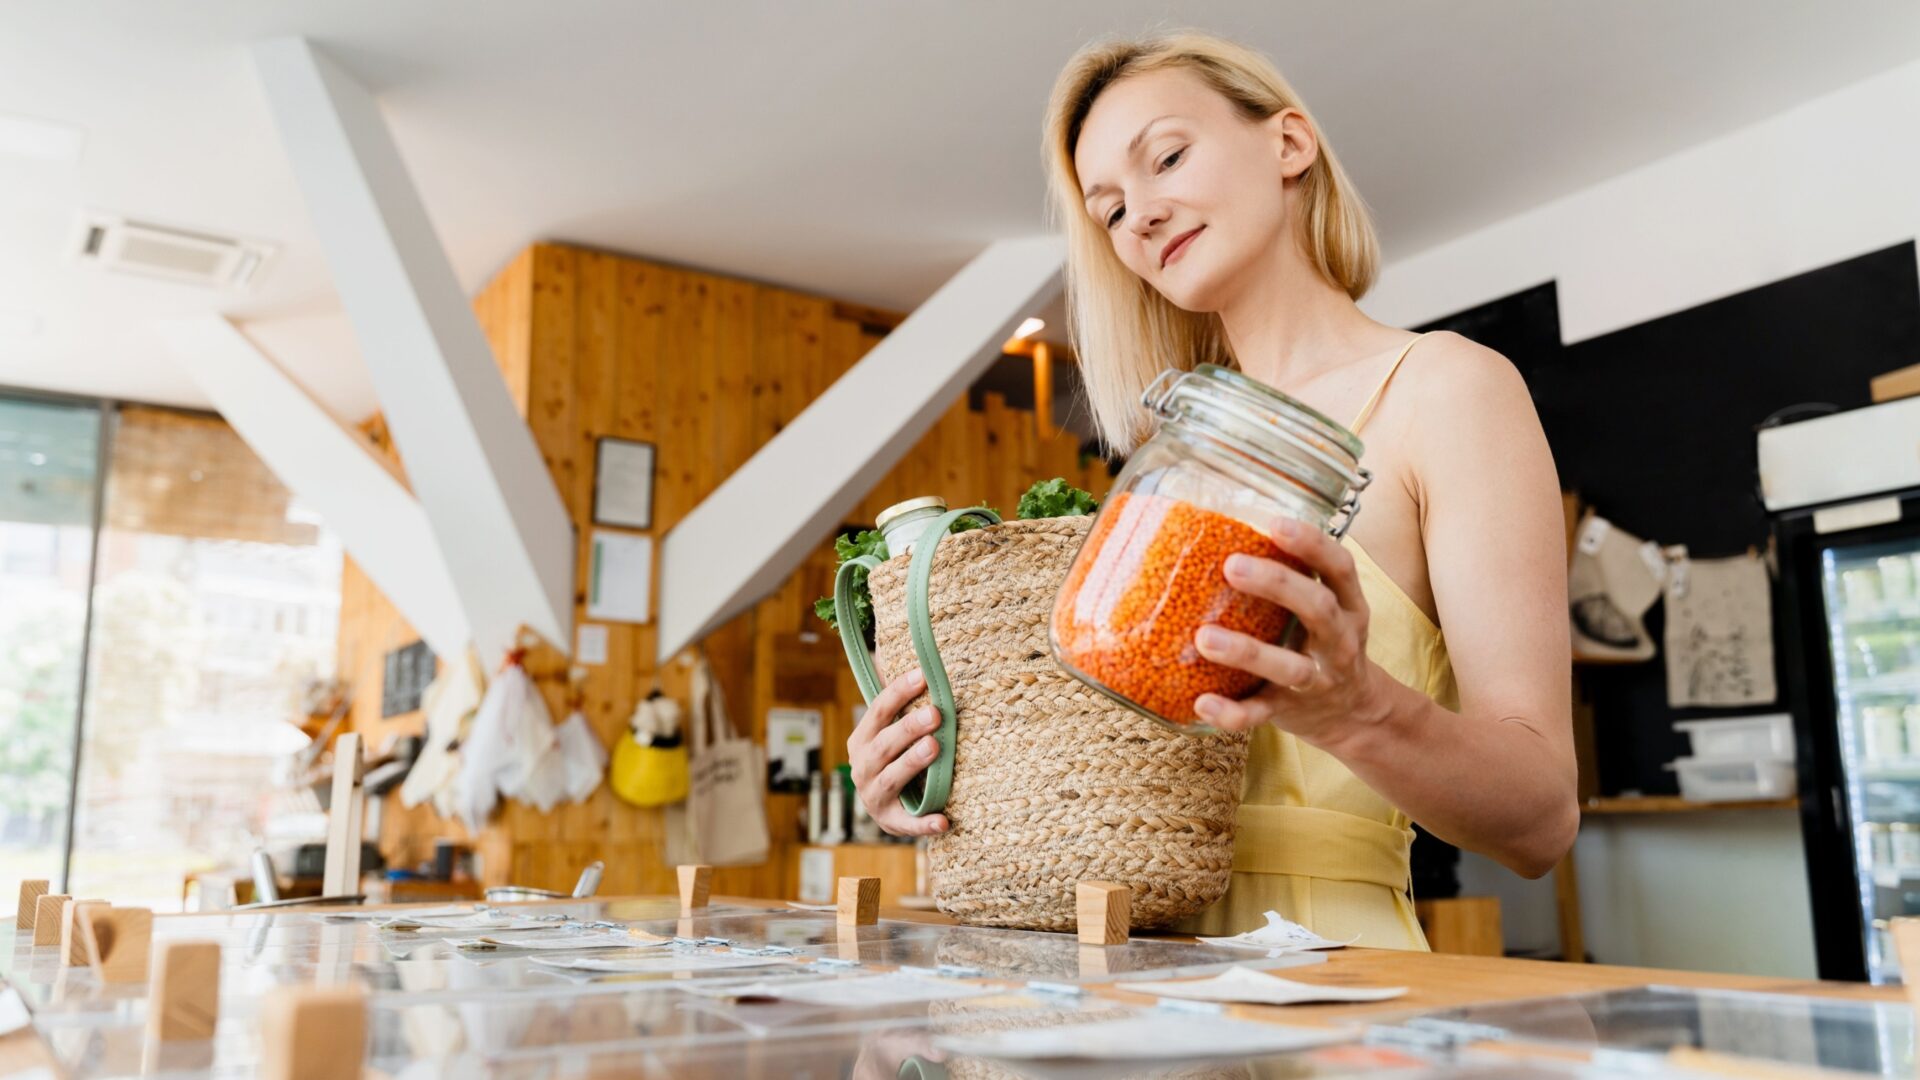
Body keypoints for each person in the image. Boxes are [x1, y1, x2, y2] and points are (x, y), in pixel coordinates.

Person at [848, 30, 1576, 947]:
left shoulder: (1450, 390)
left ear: (1288, 143)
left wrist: (1361, 711)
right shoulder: (1173, 458)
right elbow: (1108, 767)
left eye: (1167, 157)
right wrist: (937, 766)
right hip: (1133, 978)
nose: (1140, 217)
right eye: (1109, 210)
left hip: (1329, 976)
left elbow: (1542, 821)